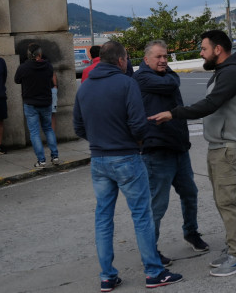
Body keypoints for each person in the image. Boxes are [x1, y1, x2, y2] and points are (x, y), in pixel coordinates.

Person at [73, 41, 183, 290]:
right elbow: (138, 123)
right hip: (126, 156)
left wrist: (100, 142)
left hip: (98, 159)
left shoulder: (85, 87)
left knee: (103, 218)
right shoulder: (126, 83)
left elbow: (78, 126)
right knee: (141, 215)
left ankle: (107, 276)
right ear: (121, 60)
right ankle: (153, 272)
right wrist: (135, 141)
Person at [149, 30, 236, 278]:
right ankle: (233, 251)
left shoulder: (230, 72)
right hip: (219, 145)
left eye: (204, 48)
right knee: (222, 200)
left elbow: (210, 104)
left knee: (229, 201)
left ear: (218, 49)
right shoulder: (224, 71)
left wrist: (173, 113)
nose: (201, 53)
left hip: (229, 146)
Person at [133, 40, 209, 268]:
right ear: (146, 60)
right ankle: (150, 250)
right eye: (158, 57)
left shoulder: (166, 75)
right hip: (157, 150)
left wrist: (171, 76)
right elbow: (171, 84)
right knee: (158, 204)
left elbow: (173, 81)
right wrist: (172, 78)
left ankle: (191, 232)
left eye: (165, 56)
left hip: (178, 146)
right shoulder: (141, 78)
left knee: (190, 193)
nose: (164, 60)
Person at [14, 43, 59, 167]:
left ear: (29, 55)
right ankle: (55, 156)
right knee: (48, 129)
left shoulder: (23, 67)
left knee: (34, 132)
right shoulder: (48, 66)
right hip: (46, 101)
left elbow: (17, 80)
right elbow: (51, 77)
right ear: (39, 54)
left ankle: (41, 160)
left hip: (30, 103)